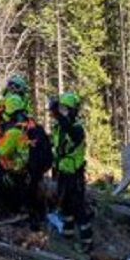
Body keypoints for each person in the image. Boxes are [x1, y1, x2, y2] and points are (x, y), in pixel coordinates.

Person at [0, 94, 48, 230]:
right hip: (25, 175)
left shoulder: (13, 133)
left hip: (14, 176)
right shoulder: (27, 127)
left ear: (9, 113)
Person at [51, 92, 92, 251]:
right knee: (65, 206)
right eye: (62, 109)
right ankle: (68, 234)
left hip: (75, 175)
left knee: (78, 208)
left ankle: (87, 242)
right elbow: (57, 147)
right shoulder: (58, 128)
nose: (63, 112)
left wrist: (57, 113)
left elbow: (70, 131)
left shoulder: (76, 128)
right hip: (62, 172)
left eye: (66, 109)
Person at [0, 74, 30, 143]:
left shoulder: (1, 101)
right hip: (10, 136)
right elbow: (20, 122)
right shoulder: (14, 99)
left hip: (0, 137)